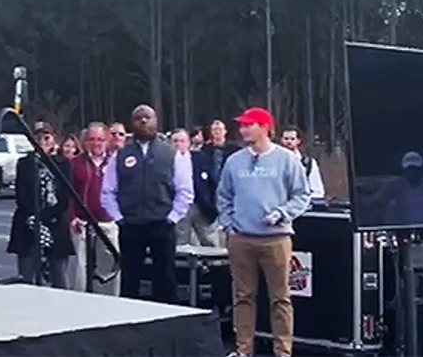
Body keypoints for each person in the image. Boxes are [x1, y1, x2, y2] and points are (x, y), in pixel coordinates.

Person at [217, 107, 311, 357]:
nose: (243, 130)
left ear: (265, 127)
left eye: (249, 125)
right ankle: (243, 350)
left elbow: (302, 195)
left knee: (280, 298)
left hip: (276, 239)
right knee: (242, 296)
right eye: (242, 125)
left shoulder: (287, 159)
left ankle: (283, 352)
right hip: (241, 238)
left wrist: (282, 213)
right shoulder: (234, 161)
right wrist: (229, 225)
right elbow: (223, 195)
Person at [101, 104, 194, 303]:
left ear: (156, 121)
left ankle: (167, 318)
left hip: (162, 225)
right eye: (138, 118)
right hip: (131, 226)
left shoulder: (171, 154)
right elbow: (108, 191)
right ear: (132, 123)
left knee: (165, 280)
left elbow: (184, 190)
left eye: (148, 117)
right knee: (130, 280)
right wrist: (119, 218)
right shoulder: (120, 155)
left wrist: (172, 218)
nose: (143, 121)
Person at [7, 121, 74, 287]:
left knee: (59, 275)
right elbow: (21, 195)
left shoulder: (62, 164)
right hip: (29, 222)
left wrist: (48, 215)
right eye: (38, 137)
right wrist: (35, 216)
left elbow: (65, 197)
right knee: (27, 275)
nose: (42, 141)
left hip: (54, 222)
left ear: (54, 139)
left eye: (46, 137)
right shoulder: (25, 163)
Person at [67, 121, 120, 295]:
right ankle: (77, 299)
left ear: (107, 141)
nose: (96, 143)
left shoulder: (115, 163)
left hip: (107, 222)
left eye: (100, 139)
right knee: (77, 266)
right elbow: (68, 193)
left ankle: (109, 301)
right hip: (81, 222)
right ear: (85, 141)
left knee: (110, 263)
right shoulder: (75, 163)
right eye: (92, 139)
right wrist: (72, 217)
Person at [189, 119, 240, 248]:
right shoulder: (204, 151)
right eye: (214, 130)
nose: (217, 132)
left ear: (225, 131)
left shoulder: (234, 150)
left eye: (220, 129)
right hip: (209, 193)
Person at [279, 127, 325, 201]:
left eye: (292, 139)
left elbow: (318, 191)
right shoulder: (274, 162)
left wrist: (303, 201)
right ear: (281, 140)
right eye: (286, 139)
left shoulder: (308, 163)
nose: (289, 142)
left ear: (298, 141)